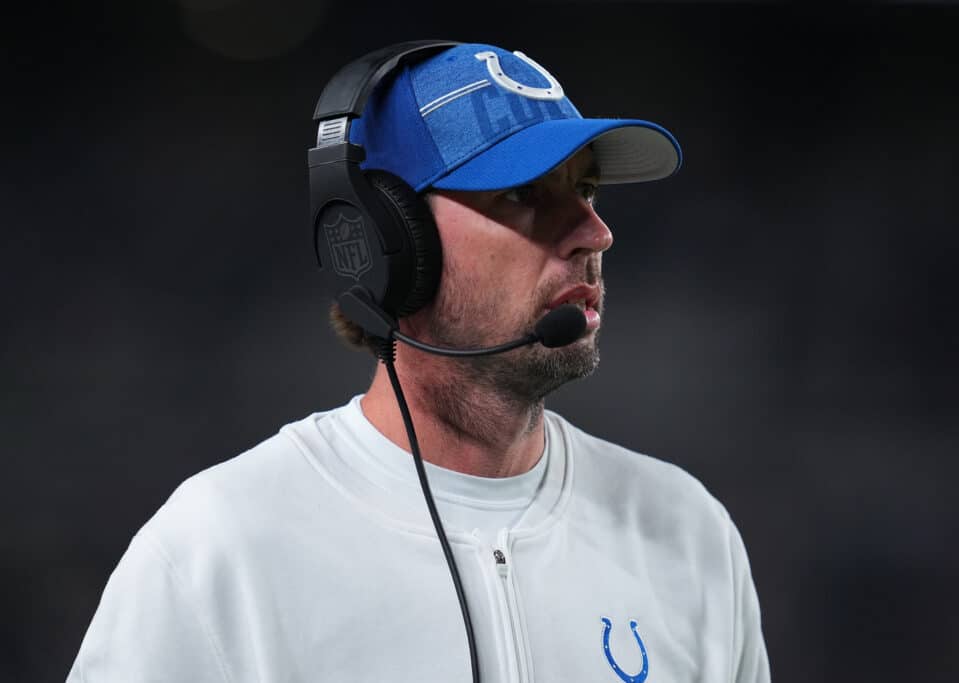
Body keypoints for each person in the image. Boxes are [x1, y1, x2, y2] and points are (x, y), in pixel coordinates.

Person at [68, 42, 770, 682]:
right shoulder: (220, 551)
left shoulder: (687, 534)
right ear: (384, 243)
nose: (595, 231)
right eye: (524, 193)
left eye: (584, 188)